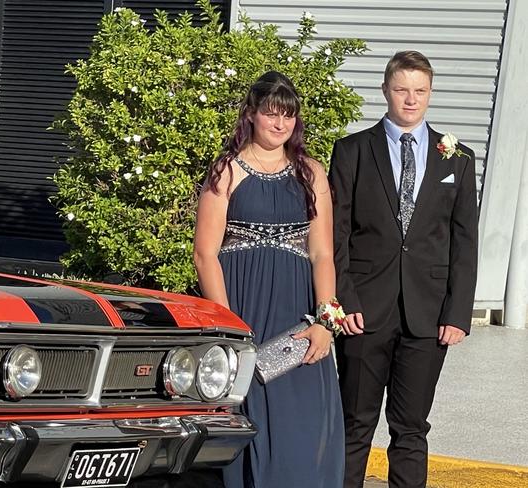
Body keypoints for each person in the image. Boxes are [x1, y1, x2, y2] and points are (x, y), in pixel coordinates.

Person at [328, 50, 478, 488]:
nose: (410, 100)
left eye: (419, 91)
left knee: (411, 428)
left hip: (428, 316)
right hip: (363, 312)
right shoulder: (353, 151)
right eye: (401, 90)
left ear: (430, 93)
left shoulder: (458, 159)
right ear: (385, 91)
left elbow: (464, 240)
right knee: (355, 424)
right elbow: (336, 234)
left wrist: (457, 313)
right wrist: (344, 300)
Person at [193, 71, 345, 488]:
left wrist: (325, 323)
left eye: (288, 116)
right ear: (252, 115)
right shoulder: (226, 171)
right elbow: (206, 254)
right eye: (271, 114)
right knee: (250, 422)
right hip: (245, 311)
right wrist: (229, 328)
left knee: (306, 428)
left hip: (298, 317)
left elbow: (323, 254)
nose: (280, 125)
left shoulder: (311, 172)